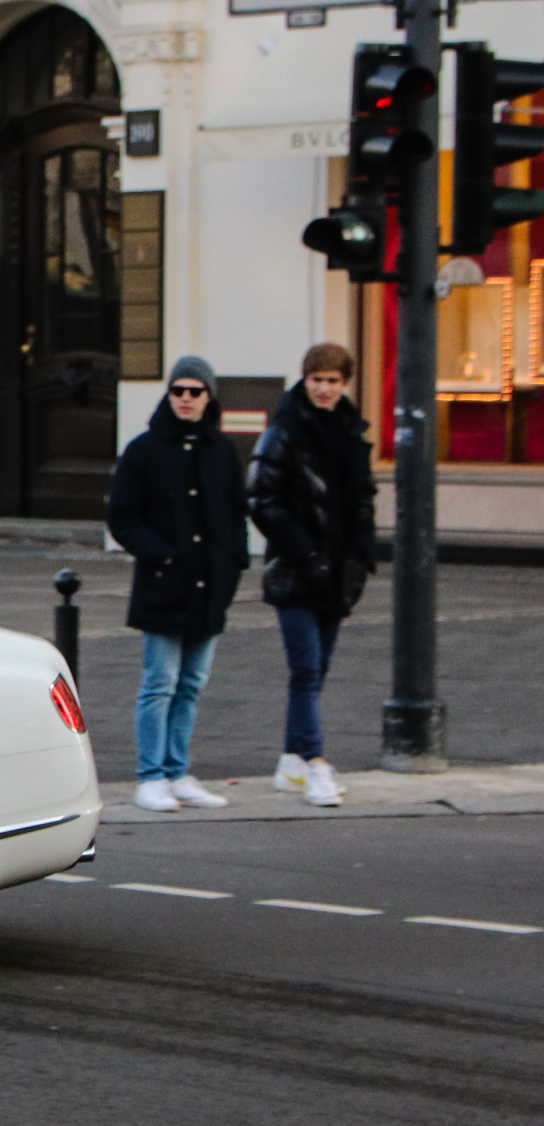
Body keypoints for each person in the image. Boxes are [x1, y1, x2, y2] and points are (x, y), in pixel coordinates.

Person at [105, 356, 249, 812]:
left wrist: (233, 564)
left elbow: (234, 513)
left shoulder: (222, 450)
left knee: (191, 683)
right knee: (159, 682)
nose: (186, 399)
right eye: (178, 391)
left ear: (209, 397)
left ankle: (178, 770)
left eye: (195, 391)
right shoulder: (144, 449)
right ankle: (151, 775)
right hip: (165, 585)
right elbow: (122, 518)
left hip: (210, 586)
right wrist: (161, 554)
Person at [248, 342, 376, 808]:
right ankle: (316, 763)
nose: (324, 389)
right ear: (304, 380)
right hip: (296, 573)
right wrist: (302, 550)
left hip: (339, 573)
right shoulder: (284, 430)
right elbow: (261, 497)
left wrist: (362, 554)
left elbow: (362, 497)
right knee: (304, 670)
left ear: (345, 384)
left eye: (333, 381)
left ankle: (291, 762)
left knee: (315, 672)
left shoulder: (350, 430)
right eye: (317, 380)